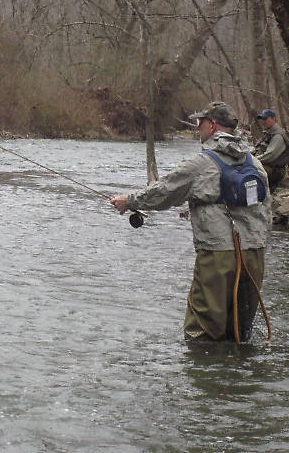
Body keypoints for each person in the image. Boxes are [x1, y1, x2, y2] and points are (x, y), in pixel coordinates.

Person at [110, 101, 272, 342]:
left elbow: (165, 191)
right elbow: (265, 210)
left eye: (200, 123)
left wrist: (130, 201)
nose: (197, 129)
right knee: (240, 333)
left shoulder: (201, 163)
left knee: (203, 332)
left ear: (213, 125)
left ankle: (204, 377)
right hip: (254, 255)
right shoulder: (255, 163)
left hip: (219, 256)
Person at [255, 109, 289, 191]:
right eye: (262, 119)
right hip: (268, 166)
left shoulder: (278, 136)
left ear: (273, 119)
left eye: (265, 119)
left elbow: (270, 156)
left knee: (250, 172)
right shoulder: (268, 133)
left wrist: (252, 160)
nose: (263, 122)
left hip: (275, 170)